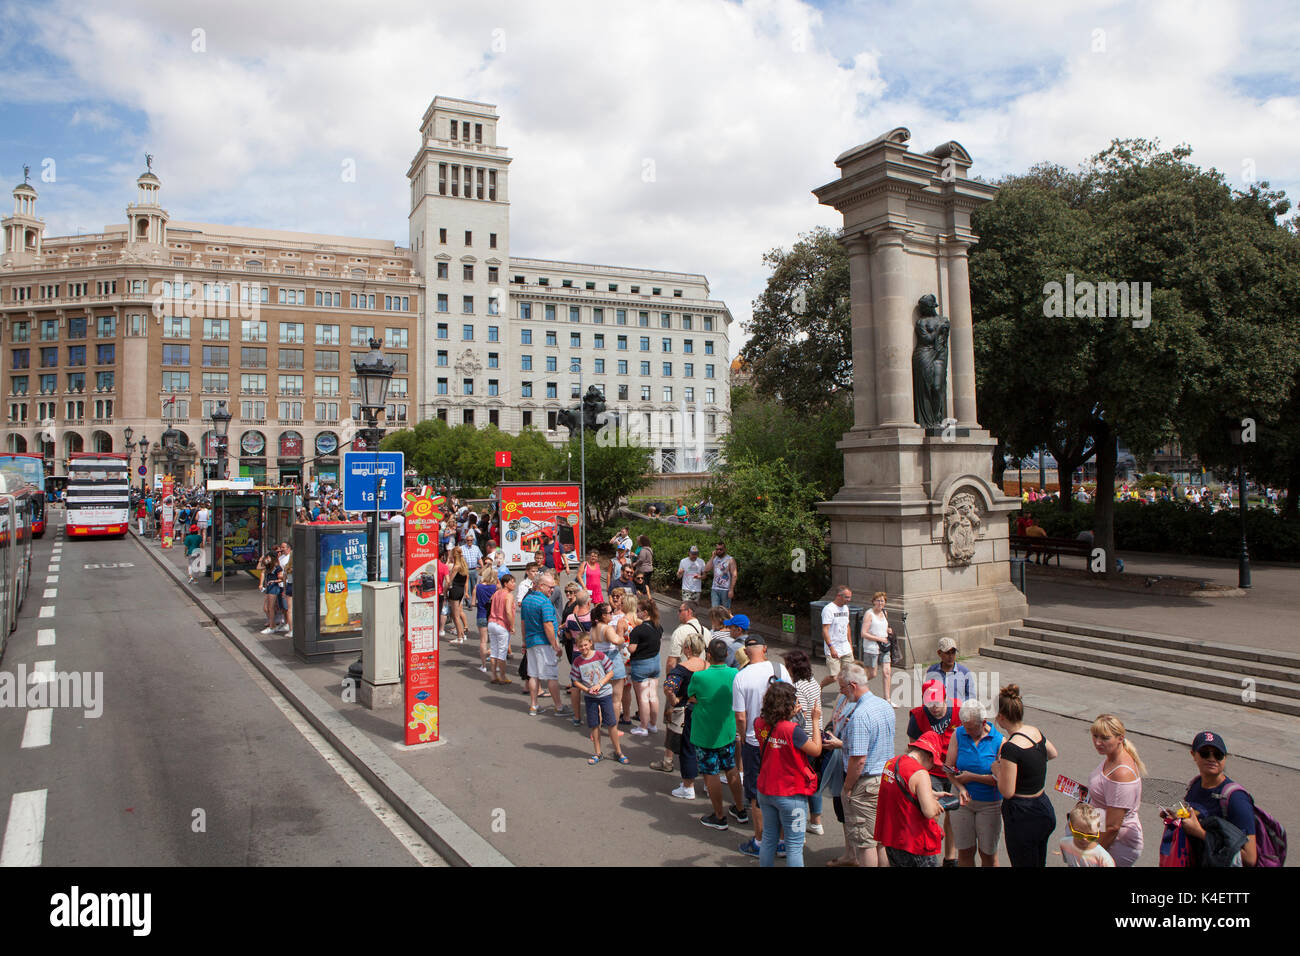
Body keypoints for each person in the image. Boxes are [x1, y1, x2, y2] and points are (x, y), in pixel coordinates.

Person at [732, 635, 792, 858]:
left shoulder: (741, 677)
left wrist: (745, 735)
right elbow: (791, 701)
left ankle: (760, 840)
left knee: (756, 793)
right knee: (782, 788)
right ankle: (783, 841)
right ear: (765, 649)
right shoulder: (780, 669)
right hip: (782, 738)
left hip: (755, 740)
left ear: (746, 652)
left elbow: (740, 716)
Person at [754, 681, 822, 867]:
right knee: (794, 845)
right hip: (792, 793)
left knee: (769, 838)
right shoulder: (793, 730)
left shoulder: (759, 723)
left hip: (766, 790)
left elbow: (775, 728)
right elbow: (816, 749)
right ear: (788, 705)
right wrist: (815, 721)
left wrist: (789, 716)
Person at [992, 683, 1058, 867]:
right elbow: (1052, 753)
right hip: (1043, 806)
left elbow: (1007, 791)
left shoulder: (1010, 748)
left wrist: (996, 769)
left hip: (1023, 814)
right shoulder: (1034, 732)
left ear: (1001, 717)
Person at [836, 663, 895, 867]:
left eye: (843, 688)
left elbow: (858, 759)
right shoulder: (884, 705)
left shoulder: (860, 716)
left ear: (852, 685)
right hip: (886, 779)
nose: (842, 693)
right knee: (881, 840)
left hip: (867, 783)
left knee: (865, 842)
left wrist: (847, 787)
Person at [1179, 731, 1259, 867]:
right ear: (1193, 755)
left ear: (1225, 758)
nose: (1212, 759)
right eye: (1205, 753)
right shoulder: (1195, 785)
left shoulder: (1236, 799)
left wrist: (1201, 834)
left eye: (1218, 754)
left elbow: (1250, 858)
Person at [690, 638, 745, 831]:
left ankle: (719, 816)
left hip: (705, 732)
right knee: (731, 769)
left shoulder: (700, 677)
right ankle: (740, 809)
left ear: (709, 655)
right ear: (727, 655)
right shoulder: (735, 673)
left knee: (710, 772)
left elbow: (691, 695)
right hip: (728, 731)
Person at [874, 731, 946, 866]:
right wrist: (935, 803)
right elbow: (929, 812)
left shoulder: (891, 762)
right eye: (933, 764)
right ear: (930, 757)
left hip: (892, 837)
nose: (931, 768)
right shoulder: (920, 773)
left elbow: (902, 792)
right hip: (913, 841)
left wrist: (929, 793)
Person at [946, 698, 1003, 867]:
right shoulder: (959, 734)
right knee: (965, 851)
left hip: (989, 804)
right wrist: (960, 787)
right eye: (965, 726)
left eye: (971, 728)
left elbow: (1000, 780)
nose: (968, 732)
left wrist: (971, 777)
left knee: (988, 854)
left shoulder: (999, 741)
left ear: (983, 722)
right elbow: (948, 768)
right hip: (963, 803)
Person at [908, 678, 960, 864]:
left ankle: (950, 858)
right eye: (930, 704)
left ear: (945, 698)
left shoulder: (959, 711)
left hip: (955, 771)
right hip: (931, 772)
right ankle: (930, 854)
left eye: (938, 703)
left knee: (953, 815)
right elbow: (912, 750)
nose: (934, 708)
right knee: (931, 813)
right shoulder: (917, 717)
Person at [654, 602, 707, 773]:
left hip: (683, 679)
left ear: (689, 612)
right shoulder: (707, 632)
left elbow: (672, 660)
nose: (678, 614)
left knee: (673, 720)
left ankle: (668, 760)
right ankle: (700, 760)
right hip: (702, 679)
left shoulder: (681, 632)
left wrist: (672, 681)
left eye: (680, 610)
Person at [1087, 714, 1145, 867]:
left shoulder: (1122, 773)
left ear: (1120, 738)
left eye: (1105, 738)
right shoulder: (1110, 756)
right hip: (1102, 831)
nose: (1098, 742)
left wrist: (1091, 854)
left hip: (1117, 842)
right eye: (1095, 736)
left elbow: (1113, 826)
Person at [783, 649, 825, 836]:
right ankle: (816, 821)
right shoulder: (813, 682)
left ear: (793, 667)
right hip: (818, 736)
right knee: (814, 780)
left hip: (805, 740)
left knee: (801, 784)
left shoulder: (798, 687)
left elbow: (802, 716)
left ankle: (798, 826)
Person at [662, 630, 707, 799]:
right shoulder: (707, 665)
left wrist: (674, 700)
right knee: (704, 748)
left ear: (687, 648)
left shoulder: (681, 669)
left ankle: (688, 786)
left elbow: (668, 686)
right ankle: (710, 783)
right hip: (705, 711)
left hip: (686, 711)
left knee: (687, 747)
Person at [570, 634, 626, 765]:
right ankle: (597, 752)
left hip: (605, 694)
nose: (583, 648)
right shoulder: (578, 661)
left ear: (590, 643)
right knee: (594, 724)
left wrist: (599, 684)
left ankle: (618, 752)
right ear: (577, 647)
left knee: (611, 723)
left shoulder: (599, 656)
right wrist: (586, 689)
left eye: (585, 645)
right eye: (580, 646)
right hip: (590, 697)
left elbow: (610, 672)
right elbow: (575, 680)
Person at [521, 572, 567, 718]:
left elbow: (523, 623)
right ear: (541, 586)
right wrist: (555, 645)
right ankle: (559, 707)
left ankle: (534, 705)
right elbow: (547, 625)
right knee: (551, 676)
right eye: (550, 587)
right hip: (544, 643)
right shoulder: (545, 602)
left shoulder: (527, 600)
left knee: (533, 675)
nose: (552, 590)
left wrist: (524, 641)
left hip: (531, 642)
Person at [626, 596, 663, 736]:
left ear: (645, 612)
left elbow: (632, 649)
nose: (636, 613)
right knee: (653, 696)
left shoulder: (638, 630)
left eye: (638, 611)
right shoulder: (658, 626)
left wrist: (626, 645)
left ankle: (643, 727)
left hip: (641, 664)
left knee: (643, 697)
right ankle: (653, 724)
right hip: (655, 662)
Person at [562, 591, 593, 723]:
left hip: (576, 652)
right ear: (588, 602)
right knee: (592, 683)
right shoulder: (592, 618)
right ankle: (593, 716)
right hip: (590, 653)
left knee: (575, 685)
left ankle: (576, 716)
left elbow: (568, 636)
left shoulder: (570, 618)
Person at [861, 591, 895, 703]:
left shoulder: (885, 613)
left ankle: (887, 698)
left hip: (885, 647)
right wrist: (879, 639)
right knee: (872, 673)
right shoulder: (869, 614)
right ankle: (856, 685)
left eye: (882, 600)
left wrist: (888, 631)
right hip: (871, 647)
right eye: (878, 600)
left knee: (887, 672)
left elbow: (883, 627)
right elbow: (863, 633)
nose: (880, 603)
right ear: (873, 601)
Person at [820, 585, 854, 690]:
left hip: (845, 646)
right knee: (834, 677)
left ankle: (845, 695)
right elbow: (825, 630)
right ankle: (819, 687)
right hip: (833, 647)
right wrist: (831, 647)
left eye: (850, 597)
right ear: (839, 596)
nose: (849, 600)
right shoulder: (829, 609)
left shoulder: (846, 608)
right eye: (847, 597)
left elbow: (847, 626)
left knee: (849, 674)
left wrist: (850, 644)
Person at [926, 637, 976, 702]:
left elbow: (971, 697)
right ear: (939, 653)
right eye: (947, 653)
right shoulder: (932, 671)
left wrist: (960, 705)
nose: (951, 656)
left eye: (953, 652)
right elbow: (927, 694)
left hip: (958, 711)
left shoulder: (965, 673)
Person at [486, 572, 516, 685]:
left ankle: (494, 675)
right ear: (505, 583)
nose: (514, 584)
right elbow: (508, 611)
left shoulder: (497, 593)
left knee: (494, 650)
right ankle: (502, 676)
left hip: (492, 622)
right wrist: (512, 625)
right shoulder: (509, 595)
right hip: (502, 624)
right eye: (512, 582)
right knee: (502, 653)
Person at [475, 565, 499, 675]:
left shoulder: (479, 587)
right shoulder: (495, 588)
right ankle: (496, 665)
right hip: (493, 616)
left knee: (483, 641)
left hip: (481, 614)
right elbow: (500, 585)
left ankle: (483, 665)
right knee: (495, 641)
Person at [442, 547, 469, 644]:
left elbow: (449, 581)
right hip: (460, 590)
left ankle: (459, 637)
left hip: (454, 590)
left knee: (455, 615)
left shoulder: (456, 566)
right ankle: (461, 635)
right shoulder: (464, 565)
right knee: (456, 614)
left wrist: (444, 592)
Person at [706, 541, 737, 609]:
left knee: (725, 611)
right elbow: (706, 569)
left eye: (721, 549)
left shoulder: (730, 559)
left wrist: (731, 590)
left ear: (725, 549)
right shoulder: (714, 559)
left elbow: (734, 575)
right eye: (717, 549)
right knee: (715, 611)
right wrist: (712, 557)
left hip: (725, 590)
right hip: (715, 589)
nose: (719, 551)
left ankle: (726, 620)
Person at [258, 553, 282, 635]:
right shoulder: (269, 566)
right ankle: (272, 625)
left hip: (274, 588)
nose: (267, 559)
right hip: (269, 587)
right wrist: (261, 560)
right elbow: (259, 568)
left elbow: (281, 578)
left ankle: (272, 626)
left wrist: (274, 581)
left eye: (268, 557)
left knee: (271, 607)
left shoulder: (278, 568)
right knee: (268, 607)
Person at [278, 542, 294, 635]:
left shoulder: (287, 567)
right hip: (297, 587)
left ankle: (291, 630)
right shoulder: (298, 565)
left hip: (289, 586)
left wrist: (284, 589)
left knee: (289, 610)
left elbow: (284, 578)